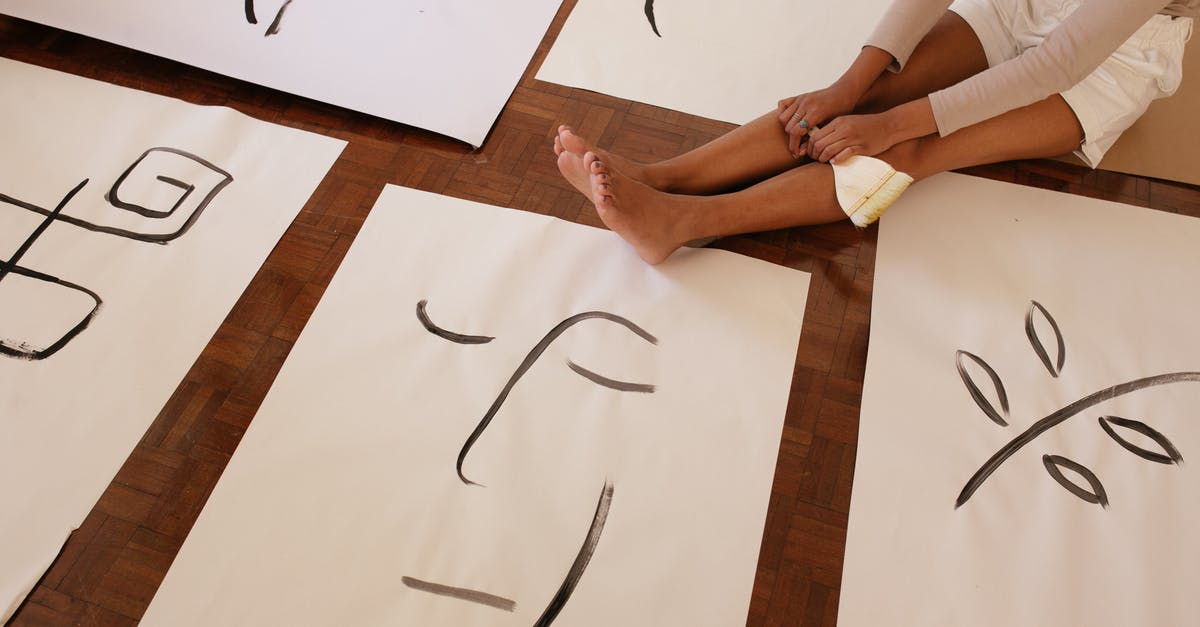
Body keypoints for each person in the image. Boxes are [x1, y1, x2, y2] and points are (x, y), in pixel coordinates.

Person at [553, 0, 1196, 264]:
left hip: (1115, 57)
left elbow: (1057, 64)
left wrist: (889, 124)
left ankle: (678, 224)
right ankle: (657, 180)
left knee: (916, 147)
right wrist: (851, 88)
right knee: (851, 103)